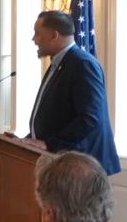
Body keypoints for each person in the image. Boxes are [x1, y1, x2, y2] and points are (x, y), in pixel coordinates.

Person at [25, 10, 120, 174]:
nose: (34, 39)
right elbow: (58, 116)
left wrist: (50, 144)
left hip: (83, 168)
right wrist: (30, 139)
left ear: (54, 35)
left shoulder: (82, 64)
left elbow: (90, 118)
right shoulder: (60, 64)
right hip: (66, 163)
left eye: (38, 33)